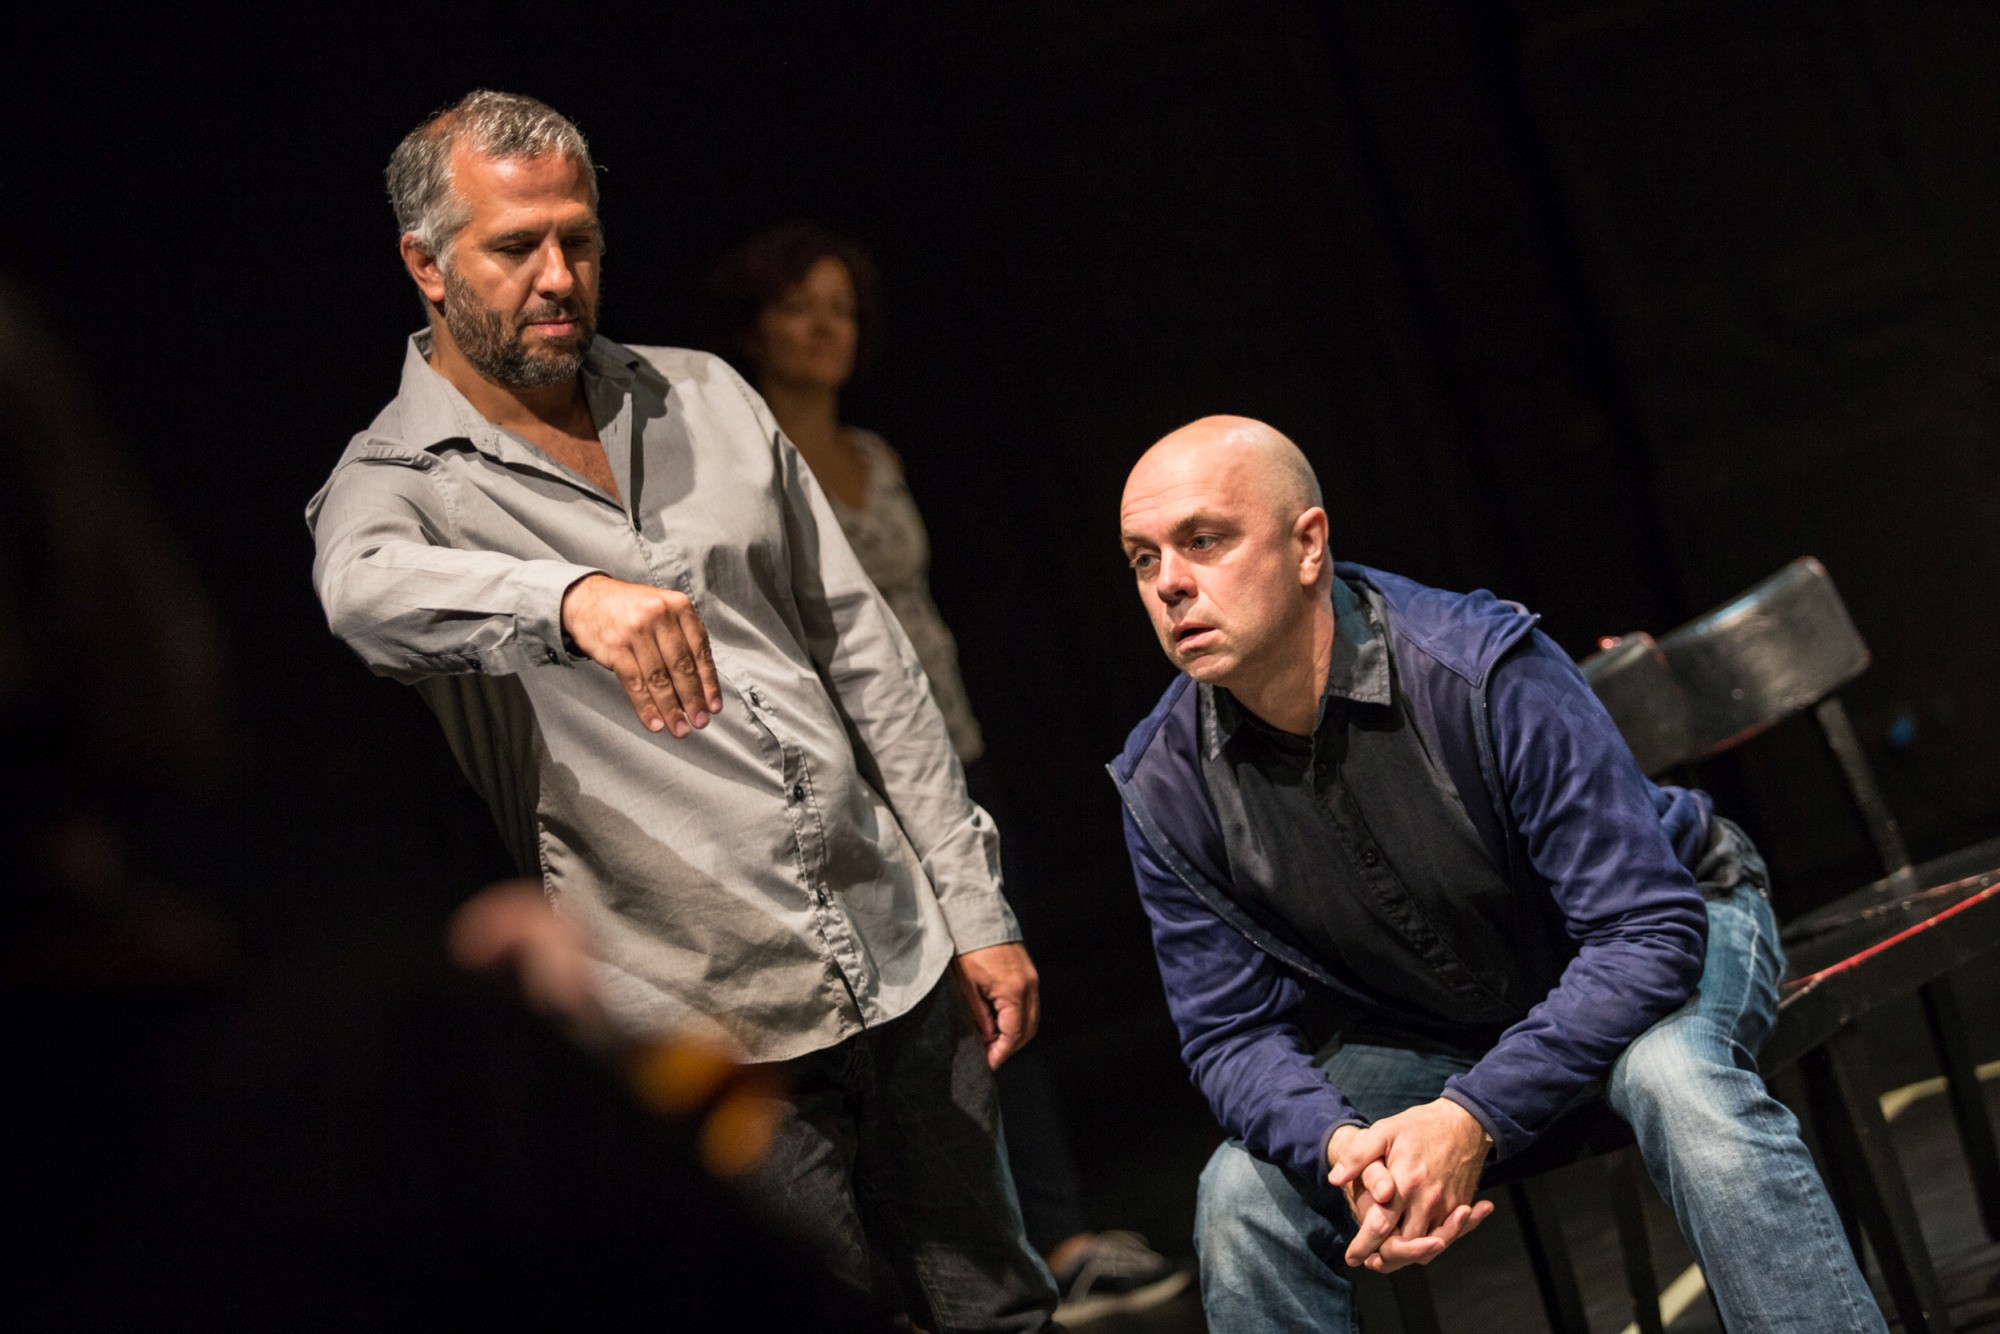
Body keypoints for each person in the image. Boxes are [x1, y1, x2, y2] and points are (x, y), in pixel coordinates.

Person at [306, 91, 1057, 1331]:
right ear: (425, 265)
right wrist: (567, 598)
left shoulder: (703, 393)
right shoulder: (397, 478)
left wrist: (974, 909)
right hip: (710, 1026)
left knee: (1003, 1309)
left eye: (580, 238)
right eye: (516, 246)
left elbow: (868, 657)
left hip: (898, 952)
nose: (560, 276)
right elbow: (359, 593)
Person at [1108, 415, 1888, 1332]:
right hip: (1439, 1017)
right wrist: (1340, 1145)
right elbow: (1230, 1033)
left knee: (1677, 1083)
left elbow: (1645, 933)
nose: (1170, 583)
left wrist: (1472, 1115)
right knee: (1240, 1198)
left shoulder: (1477, 665)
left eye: (1204, 541)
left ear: (1308, 544)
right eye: (1143, 559)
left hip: (1670, 926)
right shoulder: (1164, 781)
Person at [702, 223, 1190, 1322]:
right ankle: (964, 1262)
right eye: (799, 307)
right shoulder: (737, 467)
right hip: (840, 779)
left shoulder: (874, 453)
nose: (825, 328)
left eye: (841, 308)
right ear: (752, 326)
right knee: (910, 1026)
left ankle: (1057, 1233)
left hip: (944, 743)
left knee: (999, 973)